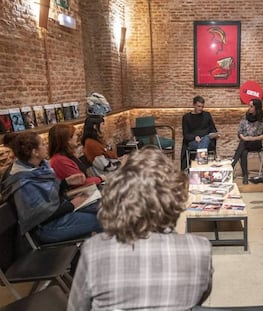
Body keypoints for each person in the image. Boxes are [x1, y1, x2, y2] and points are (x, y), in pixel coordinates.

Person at [68, 147, 212, 310]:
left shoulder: (93, 250)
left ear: (118, 195)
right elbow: (199, 297)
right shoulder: (200, 248)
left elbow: (77, 307)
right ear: (176, 197)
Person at [1, 131, 102, 243]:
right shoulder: (23, 183)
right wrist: (71, 205)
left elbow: (49, 192)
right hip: (47, 227)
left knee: (101, 208)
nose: (46, 146)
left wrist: (66, 182)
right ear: (35, 152)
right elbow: (41, 215)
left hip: (59, 211)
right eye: (43, 144)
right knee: (104, 219)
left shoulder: (39, 167)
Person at [231, 98, 263, 185]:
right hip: (245, 141)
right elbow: (239, 131)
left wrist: (253, 138)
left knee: (243, 145)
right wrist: (244, 138)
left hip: (256, 142)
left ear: (257, 108)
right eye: (249, 106)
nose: (249, 108)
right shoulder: (245, 116)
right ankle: (245, 175)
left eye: (251, 106)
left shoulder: (262, 119)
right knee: (244, 151)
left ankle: (233, 163)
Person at [181, 95, 219, 170]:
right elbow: (185, 135)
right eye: (199, 106)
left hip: (207, 140)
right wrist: (194, 137)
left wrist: (214, 134)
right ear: (194, 105)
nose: (201, 109)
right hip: (193, 142)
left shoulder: (207, 115)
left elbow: (213, 129)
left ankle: (198, 165)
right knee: (205, 139)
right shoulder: (186, 117)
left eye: (202, 106)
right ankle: (201, 165)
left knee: (206, 138)